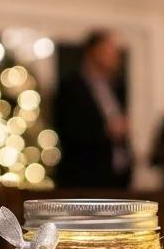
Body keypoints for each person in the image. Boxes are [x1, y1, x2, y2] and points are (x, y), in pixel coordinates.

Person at [52, 30, 131, 189]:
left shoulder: (114, 87)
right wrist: (106, 130)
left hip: (114, 178)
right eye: (110, 51)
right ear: (94, 52)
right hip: (85, 178)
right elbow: (68, 129)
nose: (115, 58)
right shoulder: (71, 87)